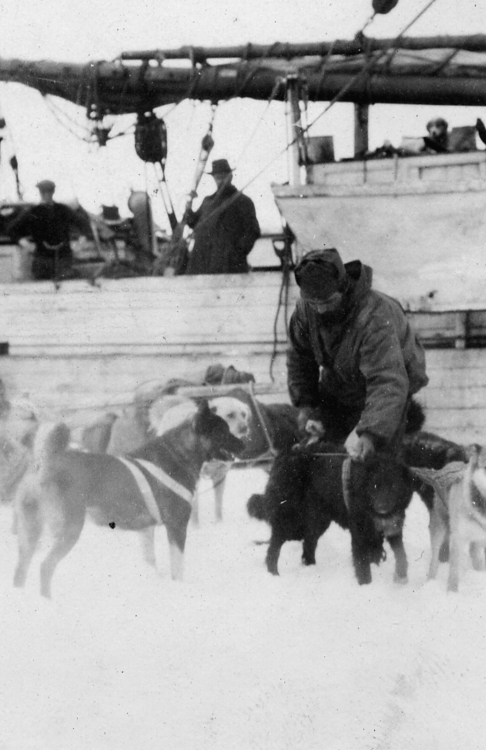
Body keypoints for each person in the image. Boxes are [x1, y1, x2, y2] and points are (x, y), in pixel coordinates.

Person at [287, 248, 429, 556]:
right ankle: (323, 530)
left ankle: (378, 544)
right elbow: (300, 359)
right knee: (328, 458)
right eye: (314, 303)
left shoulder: (374, 315)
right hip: (343, 382)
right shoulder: (305, 310)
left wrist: (370, 433)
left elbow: (388, 381)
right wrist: (309, 407)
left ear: (343, 287)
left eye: (328, 302)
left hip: (391, 386)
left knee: (378, 467)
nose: (321, 309)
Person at [184, 159, 261, 275]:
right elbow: (194, 223)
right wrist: (188, 208)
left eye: (223, 176)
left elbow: (253, 231)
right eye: (217, 177)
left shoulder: (243, 201)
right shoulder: (207, 202)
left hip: (230, 268)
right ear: (214, 178)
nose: (220, 180)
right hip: (202, 266)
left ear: (230, 177)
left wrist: (237, 253)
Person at [9, 179, 82, 281]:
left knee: (66, 287)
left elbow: (84, 224)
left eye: (49, 191)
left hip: (63, 258)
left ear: (53, 192)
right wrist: (25, 244)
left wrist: (80, 243)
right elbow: (12, 229)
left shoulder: (63, 210)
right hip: (42, 259)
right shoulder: (33, 211)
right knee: (42, 289)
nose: (47, 194)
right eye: (44, 192)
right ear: (40, 193)